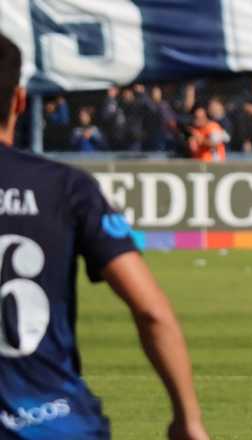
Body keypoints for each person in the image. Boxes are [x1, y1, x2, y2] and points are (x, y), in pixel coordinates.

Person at [0, 34, 208, 440]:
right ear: (20, 101)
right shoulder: (66, 187)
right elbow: (152, 312)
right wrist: (188, 420)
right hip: (55, 424)